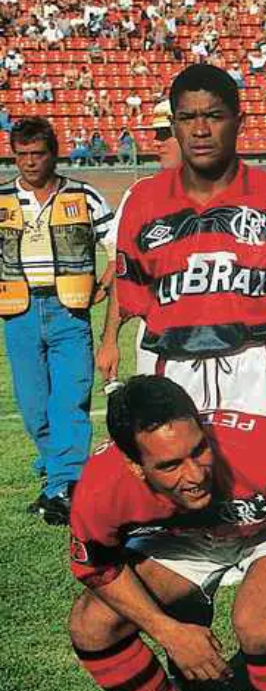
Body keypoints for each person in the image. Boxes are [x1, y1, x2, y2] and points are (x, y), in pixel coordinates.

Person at [65, 376, 266, 691]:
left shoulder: (261, 446)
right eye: (170, 466)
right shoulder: (101, 487)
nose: (195, 475)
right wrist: (168, 631)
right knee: (91, 625)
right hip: (189, 538)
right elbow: (99, 567)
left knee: (258, 622)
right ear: (135, 467)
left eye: (199, 449)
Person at [108, 64, 266, 429]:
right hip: (175, 365)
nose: (200, 130)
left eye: (214, 116)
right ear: (174, 124)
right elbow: (135, 297)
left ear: (239, 121)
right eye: (188, 117)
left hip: (258, 367)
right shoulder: (143, 203)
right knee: (181, 480)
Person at [1, 116, 115, 524]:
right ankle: (57, 481)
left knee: (70, 401)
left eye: (38, 154)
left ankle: (65, 487)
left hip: (70, 311)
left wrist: (106, 280)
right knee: (34, 409)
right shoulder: (1, 198)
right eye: (22, 154)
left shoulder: (84, 194)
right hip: (19, 312)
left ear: (54, 153)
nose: (30, 162)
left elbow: (118, 244)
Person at [96, 100, 182, 386]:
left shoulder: (237, 192)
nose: (157, 143)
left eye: (165, 133)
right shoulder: (140, 195)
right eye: (155, 134)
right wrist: (110, 340)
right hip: (158, 337)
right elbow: (122, 271)